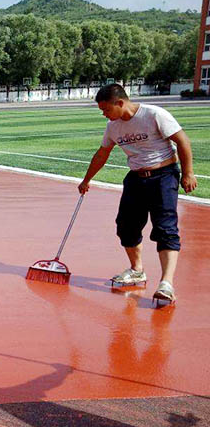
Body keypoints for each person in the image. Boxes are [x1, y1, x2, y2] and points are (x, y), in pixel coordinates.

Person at [78, 84, 197, 303]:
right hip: (135, 178)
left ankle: (166, 284)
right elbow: (102, 154)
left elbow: (182, 141)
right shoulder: (112, 127)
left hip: (163, 175)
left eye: (106, 109)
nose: (104, 114)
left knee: (165, 228)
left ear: (120, 102)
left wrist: (188, 173)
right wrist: (86, 180)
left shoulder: (153, 115)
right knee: (126, 226)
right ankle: (137, 270)